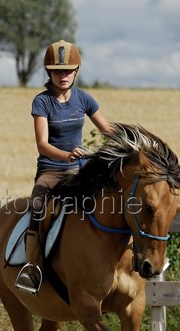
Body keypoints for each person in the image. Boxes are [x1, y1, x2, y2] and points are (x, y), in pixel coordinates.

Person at [14, 39, 113, 294]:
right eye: (57, 71)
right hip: (51, 170)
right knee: (37, 206)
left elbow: (108, 130)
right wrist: (66, 155)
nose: (63, 76)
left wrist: (131, 144)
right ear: (49, 73)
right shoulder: (42, 102)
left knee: (116, 200)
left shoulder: (84, 98)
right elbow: (42, 145)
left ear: (76, 71)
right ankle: (31, 268)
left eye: (68, 70)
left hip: (80, 170)